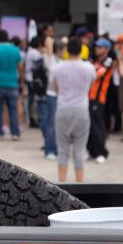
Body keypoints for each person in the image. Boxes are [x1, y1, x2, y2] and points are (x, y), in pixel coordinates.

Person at [51, 37, 96, 183]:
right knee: (79, 150)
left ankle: (62, 185)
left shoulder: (58, 68)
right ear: (81, 50)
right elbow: (90, 86)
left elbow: (55, 88)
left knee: (63, 150)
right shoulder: (89, 68)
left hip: (63, 109)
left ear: (66, 50)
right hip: (81, 109)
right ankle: (80, 185)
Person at [0, 30, 23, 140]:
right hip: (12, 82)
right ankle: (15, 133)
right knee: (13, 109)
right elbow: (20, 67)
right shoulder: (15, 50)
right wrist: (21, 82)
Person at [87, 38, 114, 164]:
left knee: (98, 125)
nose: (97, 49)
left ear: (107, 49)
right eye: (97, 47)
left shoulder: (108, 61)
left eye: (100, 47)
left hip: (99, 98)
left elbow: (98, 74)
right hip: (89, 96)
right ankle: (92, 151)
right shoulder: (94, 60)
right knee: (90, 126)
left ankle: (101, 152)